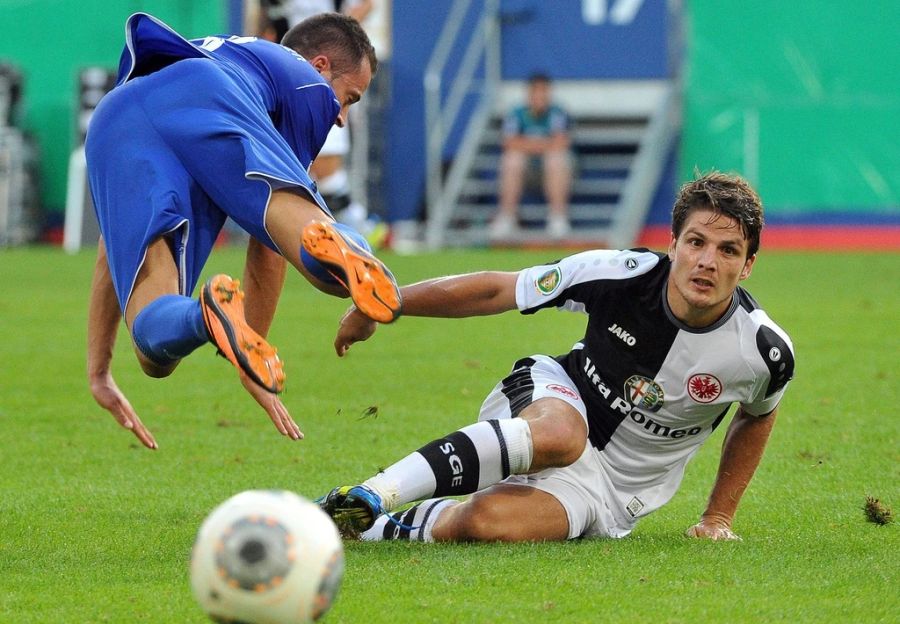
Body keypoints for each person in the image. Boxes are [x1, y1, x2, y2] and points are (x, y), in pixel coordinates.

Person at [320, 171, 794, 543]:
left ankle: (361, 527)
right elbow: (497, 290)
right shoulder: (618, 274)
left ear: (748, 264)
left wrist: (717, 516)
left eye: (728, 250)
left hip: (610, 495)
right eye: (696, 242)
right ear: (673, 244)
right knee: (562, 435)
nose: (708, 261)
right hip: (554, 398)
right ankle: (374, 493)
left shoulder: (762, 353)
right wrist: (388, 302)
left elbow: (758, 415)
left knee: (487, 523)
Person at [86, 12, 401, 450]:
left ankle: (205, 315)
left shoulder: (235, 51)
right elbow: (270, 243)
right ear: (321, 65)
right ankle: (352, 252)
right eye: (348, 98)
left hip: (116, 118)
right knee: (317, 255)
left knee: (152, 351)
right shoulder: (302, 80)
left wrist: (98, 370)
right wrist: (253, 352)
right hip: (210, 92)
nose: (341, 117)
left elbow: (111, 250)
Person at [249, 0, 385, 245]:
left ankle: (352, 229)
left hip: (326, 77)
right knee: (295, 171)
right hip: (285, 80)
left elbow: (367, 4)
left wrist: (338, 39)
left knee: (322, 167)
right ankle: (349, 230)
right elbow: (265, 20)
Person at [489, 73, 573, 242]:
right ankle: (507, 217)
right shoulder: (517, 113)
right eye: (536, 92)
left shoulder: (557, 113)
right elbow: (508, 142)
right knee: (512, 159)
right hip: (527, 171)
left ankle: (558, 218)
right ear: (529, 94)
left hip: (554, 170)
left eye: (544, 92)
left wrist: (528, 144)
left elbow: (562, 142)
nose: (540, 96)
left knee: (555, 159)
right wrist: (542, 144)